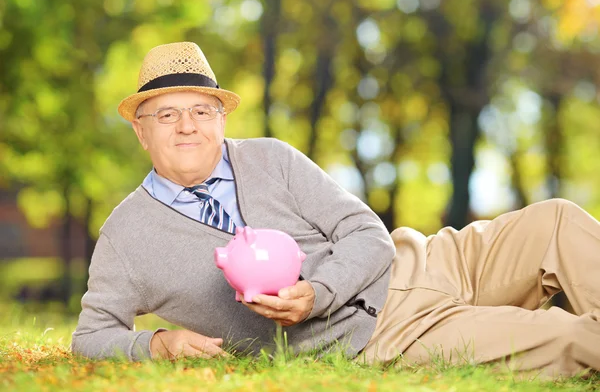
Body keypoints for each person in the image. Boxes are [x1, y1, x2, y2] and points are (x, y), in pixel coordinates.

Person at [72, 42, 600, 377]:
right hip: (386, 336)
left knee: (556, 219)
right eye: (166, 114)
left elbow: (364, 230)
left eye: (201, 110)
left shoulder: (272, 158)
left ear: (221, 119)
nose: (187, 125)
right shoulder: (126, 235)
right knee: (573, 339)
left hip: (428, 261)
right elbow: (92, 337)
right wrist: (158, 344)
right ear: (140, 132)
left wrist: (318, 293)